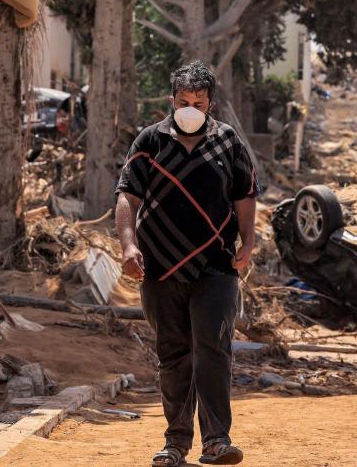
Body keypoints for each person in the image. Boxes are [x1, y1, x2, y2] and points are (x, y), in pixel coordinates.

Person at [115, 60, 260, 467]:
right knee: (174, 354)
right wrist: (129, 246)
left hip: (216, 265)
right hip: (159, 267)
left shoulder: (228, 143)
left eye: (199, 101)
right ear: (171, 100)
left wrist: (247, 242)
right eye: (183, 101)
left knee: (212, 349)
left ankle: (216, 440)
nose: (190, 108)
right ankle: (175, 443)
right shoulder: (149, 142)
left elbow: (245, 196)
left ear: (211, 103)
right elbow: (127, 197)